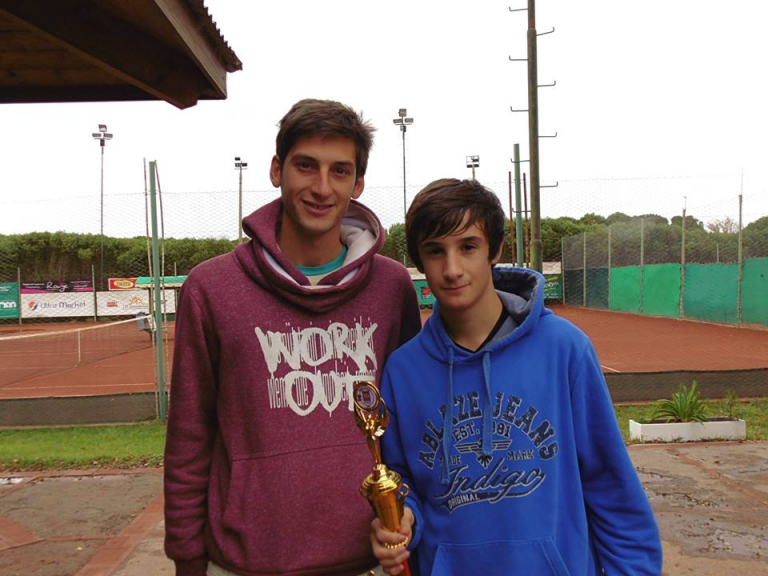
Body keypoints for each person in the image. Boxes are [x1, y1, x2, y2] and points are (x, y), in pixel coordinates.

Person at [164, 99, 422, 576]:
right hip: (245, 563)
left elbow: (411, 424)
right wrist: (186, 556)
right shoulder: (212, 288)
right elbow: (189, 437)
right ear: (277, 169)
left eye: (340, 171)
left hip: (370, 560)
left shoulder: (392, 288)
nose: (322, 187)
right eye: (306, 166)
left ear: (357, 184)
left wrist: (412, 518)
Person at [371, 178, 662, 575]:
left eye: (468, 247)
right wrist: (405, 521)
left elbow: (610, 484)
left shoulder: (564, 349)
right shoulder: (404, 371)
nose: (452, 269)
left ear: (496, 249)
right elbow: (404, 483)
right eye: (435, 251)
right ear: (419, 262)